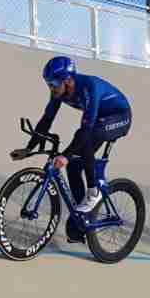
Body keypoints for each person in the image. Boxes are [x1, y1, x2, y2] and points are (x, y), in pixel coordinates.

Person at [24, 55, 132, 243]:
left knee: (84, 138)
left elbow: (86, 131)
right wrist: (28, 148)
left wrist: (65, 155)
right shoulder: (59, 91)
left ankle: (94, 192)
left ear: (67, 80)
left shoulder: (90, 87)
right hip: (99, 121)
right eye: (48, 84)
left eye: (53, 84)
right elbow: (47, 119)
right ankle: (83, 218)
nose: (51, 88)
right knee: (73, 166)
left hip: (119, 117)